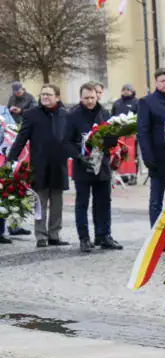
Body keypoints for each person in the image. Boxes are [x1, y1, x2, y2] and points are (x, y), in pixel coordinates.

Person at [6, 84, 71, 247]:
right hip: (39, 164)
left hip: (59, 164)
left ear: (57, 97)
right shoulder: (31, 114)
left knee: (57, 202)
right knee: (40, 202)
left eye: (49, 94)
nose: (45, 97)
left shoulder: (64, 114)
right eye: (43, 94)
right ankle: (41, 235)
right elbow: (22, 138)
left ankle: (54, 234)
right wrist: (11, 158)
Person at [65, 83, 122, 253]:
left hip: (102, 165)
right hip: (82, 165)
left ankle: (104, 235)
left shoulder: (104, 113)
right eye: (86, 98)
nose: (90, 101)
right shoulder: (73, 115)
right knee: (82, 203)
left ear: (97, 96)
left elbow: (111, 139)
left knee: (104, 201)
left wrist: (114, 135)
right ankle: (84, 238)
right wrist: (79, 156)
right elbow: (66, 141)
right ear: (80, 98)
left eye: (92, 97)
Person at [138, 68, 165, 225]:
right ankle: (156, 238)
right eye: (162, 81)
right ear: (156, 82)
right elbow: (143, 132)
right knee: (156, 200)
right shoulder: (147, 102)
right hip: (157, 158)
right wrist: (148, 158)